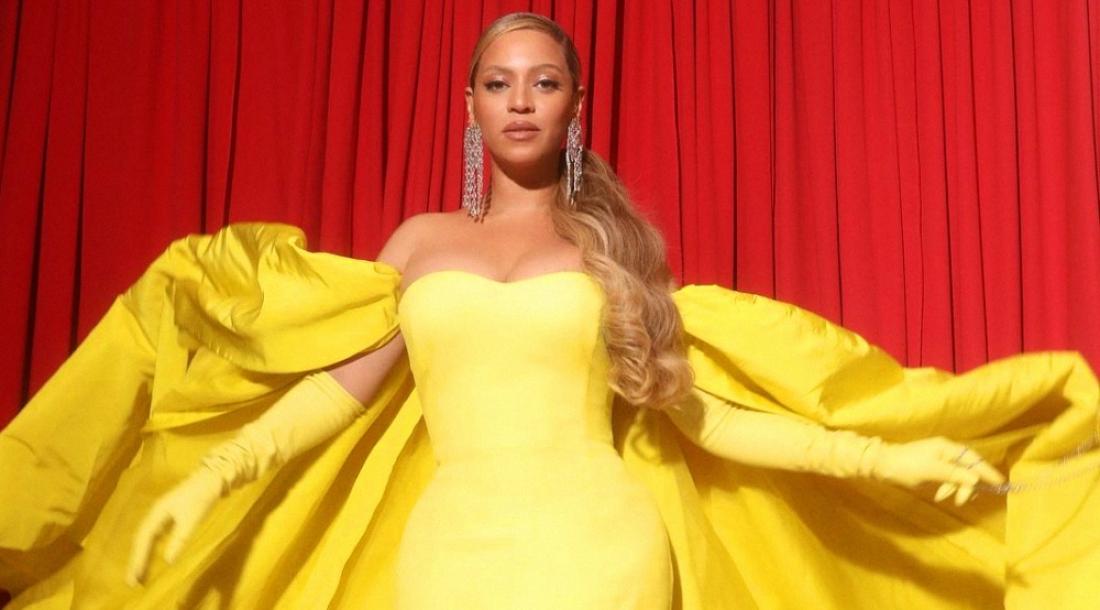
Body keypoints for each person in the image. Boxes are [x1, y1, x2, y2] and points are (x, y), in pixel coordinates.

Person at [2, 11, 1099, 610]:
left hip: (599, 550)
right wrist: (212, 475)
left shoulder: (607, 250)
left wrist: (879, 457)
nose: (519, 100)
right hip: (450, 552)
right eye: (498, 82)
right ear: (470, 106)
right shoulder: (416, 245)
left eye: (542, 82)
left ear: (574, 104)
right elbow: (335, 395)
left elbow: (702, 416)